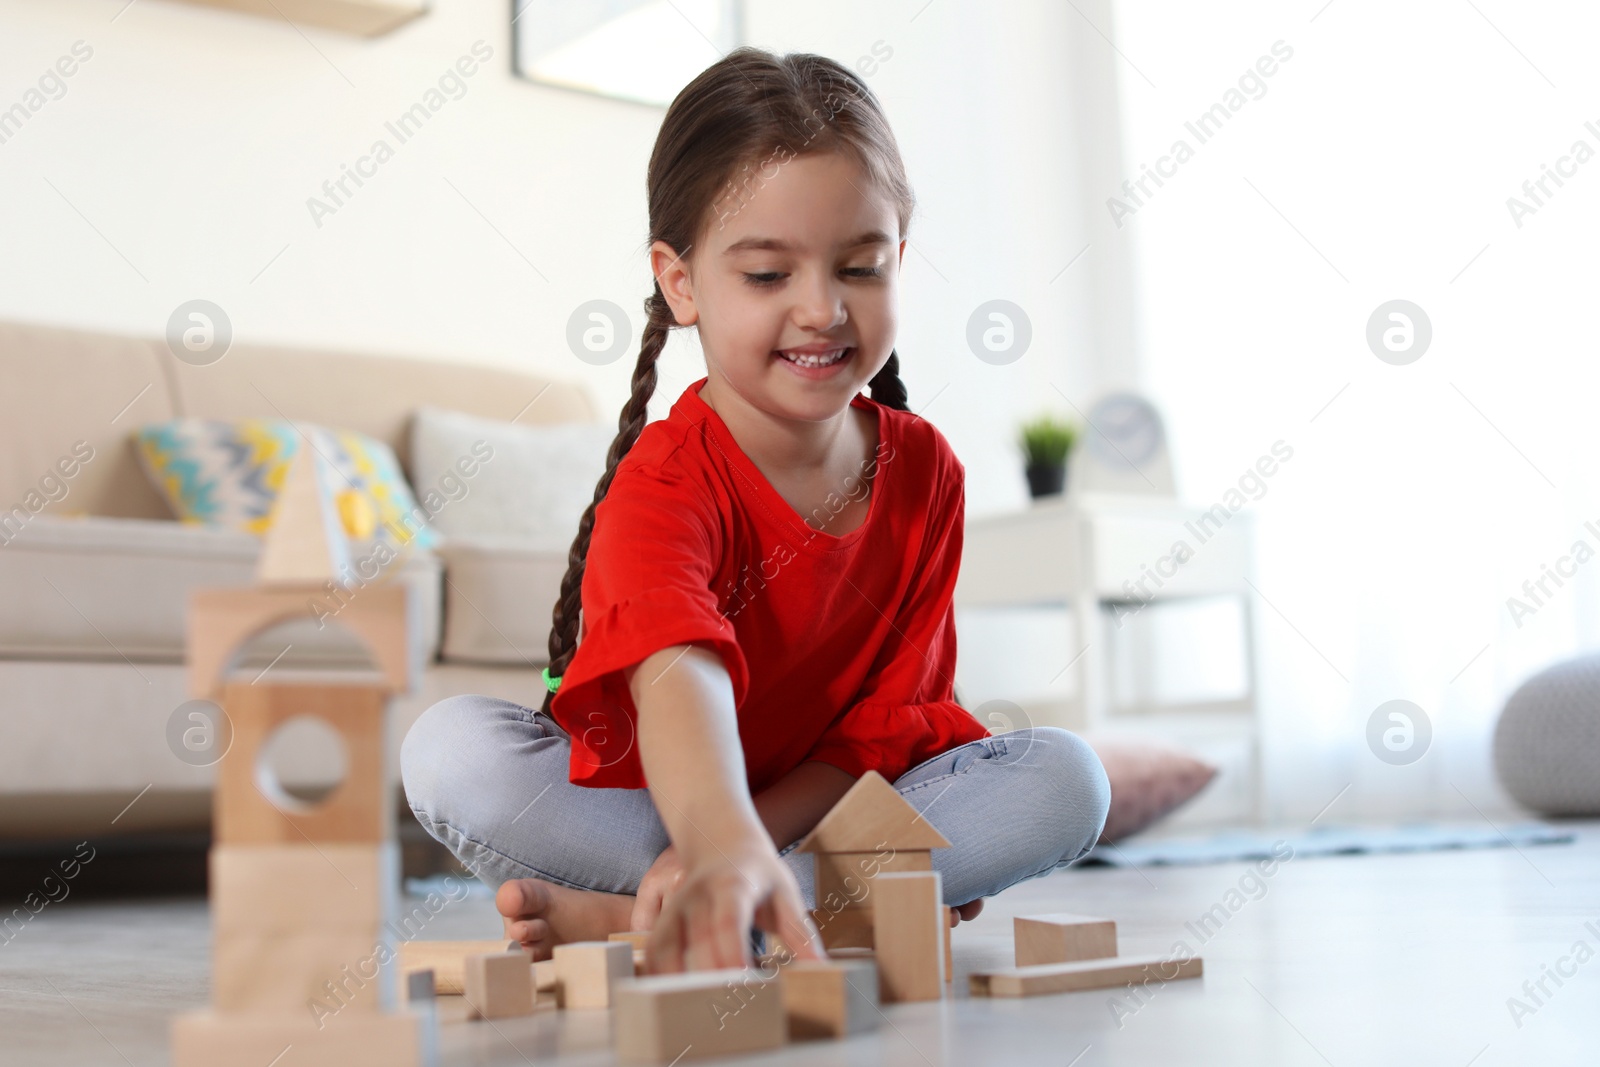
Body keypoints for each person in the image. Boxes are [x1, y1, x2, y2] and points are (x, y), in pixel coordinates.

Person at [400, 46, 1110, 975]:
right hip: (666, 800)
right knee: (450, 751)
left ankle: (655, 914)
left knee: (1066, 780)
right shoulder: (663, 483)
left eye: (858, 266)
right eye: (769, 276)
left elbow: (885, 728)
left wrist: (743, 845)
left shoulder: (926, 471)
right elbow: (675, 680)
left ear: (899, 257)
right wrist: (711, 835)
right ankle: (797, 909)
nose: (821, 309)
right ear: (681, 282)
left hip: (815, 817)